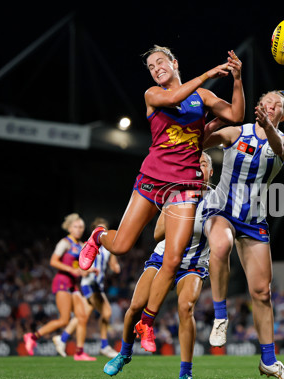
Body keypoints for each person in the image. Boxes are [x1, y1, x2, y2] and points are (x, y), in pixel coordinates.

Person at [79, 45, 244, 353]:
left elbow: (235, 114)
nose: (156, 69)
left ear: (174, 62)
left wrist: (236, 78)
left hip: (185, 186)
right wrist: (209, 74)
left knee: (173, 257)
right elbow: (172, 98)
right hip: (153, 180)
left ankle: (148, 322)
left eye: (160, 62)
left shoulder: (203, 98)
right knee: (123, 245)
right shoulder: (153, 95)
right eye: (151, 67)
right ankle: (99, 236)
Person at [200, 90, 284, 379]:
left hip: (254, 220)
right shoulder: (236, 132)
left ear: (283, 115)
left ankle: (269, 360)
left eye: (277, 106)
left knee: (261, 294)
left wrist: (269, 128)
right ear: (258, 106)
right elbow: (202, 144)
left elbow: (280, 148)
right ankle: (220, 317)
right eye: (266, 103)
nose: (270, 107)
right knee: (220, 245)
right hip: (222, 209)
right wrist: (204, 131)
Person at [104, 152, 214, 379]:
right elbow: (157, 234)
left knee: (186, 308)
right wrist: (182, 215)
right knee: (135, 306)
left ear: (211, 172)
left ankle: (186, 372)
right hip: (163, 259)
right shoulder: (176, 195)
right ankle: (124, 354)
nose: (199, 168)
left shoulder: (219, 200)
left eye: (203, 164)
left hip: (194, 264)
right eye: (196, 164)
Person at [23, 213, 97, 361]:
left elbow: (80, 267)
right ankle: (32, 336)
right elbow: (53, 261)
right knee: (63, 320)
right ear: (69, 228)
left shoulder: (81, 245)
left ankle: (79, 352)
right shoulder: (65, 243)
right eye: (76, 226)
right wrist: (71, 270)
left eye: (81, 227)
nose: (79, 229)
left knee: (82, 317)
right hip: (63, 282)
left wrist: (89, 270)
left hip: (74, 285)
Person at [52, 217, 121, 358]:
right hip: (89, 283)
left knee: (82, 316)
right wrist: (84, 270)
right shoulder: (88, 245)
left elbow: (114, 266)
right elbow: (80, 263)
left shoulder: (109, 248)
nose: (103, 234)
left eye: (105, 231)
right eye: (100, 230)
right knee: (106, 312)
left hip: (99, 285)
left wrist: (116, 266)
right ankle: (104, 346)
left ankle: (62, 339)